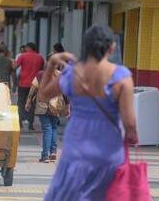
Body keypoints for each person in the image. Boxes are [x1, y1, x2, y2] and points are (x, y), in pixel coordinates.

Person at [38, 24, 139, 200]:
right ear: (111, 47)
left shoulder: (72, 73)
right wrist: (132, 135)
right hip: (108, 149)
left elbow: (44, 94)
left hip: (75, 147)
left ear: (85, 46)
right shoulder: (121, 76)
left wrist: (52, 62)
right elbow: (129, 122)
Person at [25, 61, 64, 163]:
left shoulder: (41, 74)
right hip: (56, 105)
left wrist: (29, 100)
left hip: (43, 104)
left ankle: (45, 156)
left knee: (47, 128)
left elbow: (33, 88)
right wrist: (68, 106)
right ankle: (53, 152)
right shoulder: (61, 75)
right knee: (54, 127)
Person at [12, 43, 44, 131]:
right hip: (35, 84)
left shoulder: (23, 56)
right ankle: (31, 124)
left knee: (21, 102)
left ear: (28, 47)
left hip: (23, 83)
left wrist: (13, 63)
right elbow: (42, 70)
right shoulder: (40, 57)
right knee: (32, 103)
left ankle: (20, 122)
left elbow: (15, 67)